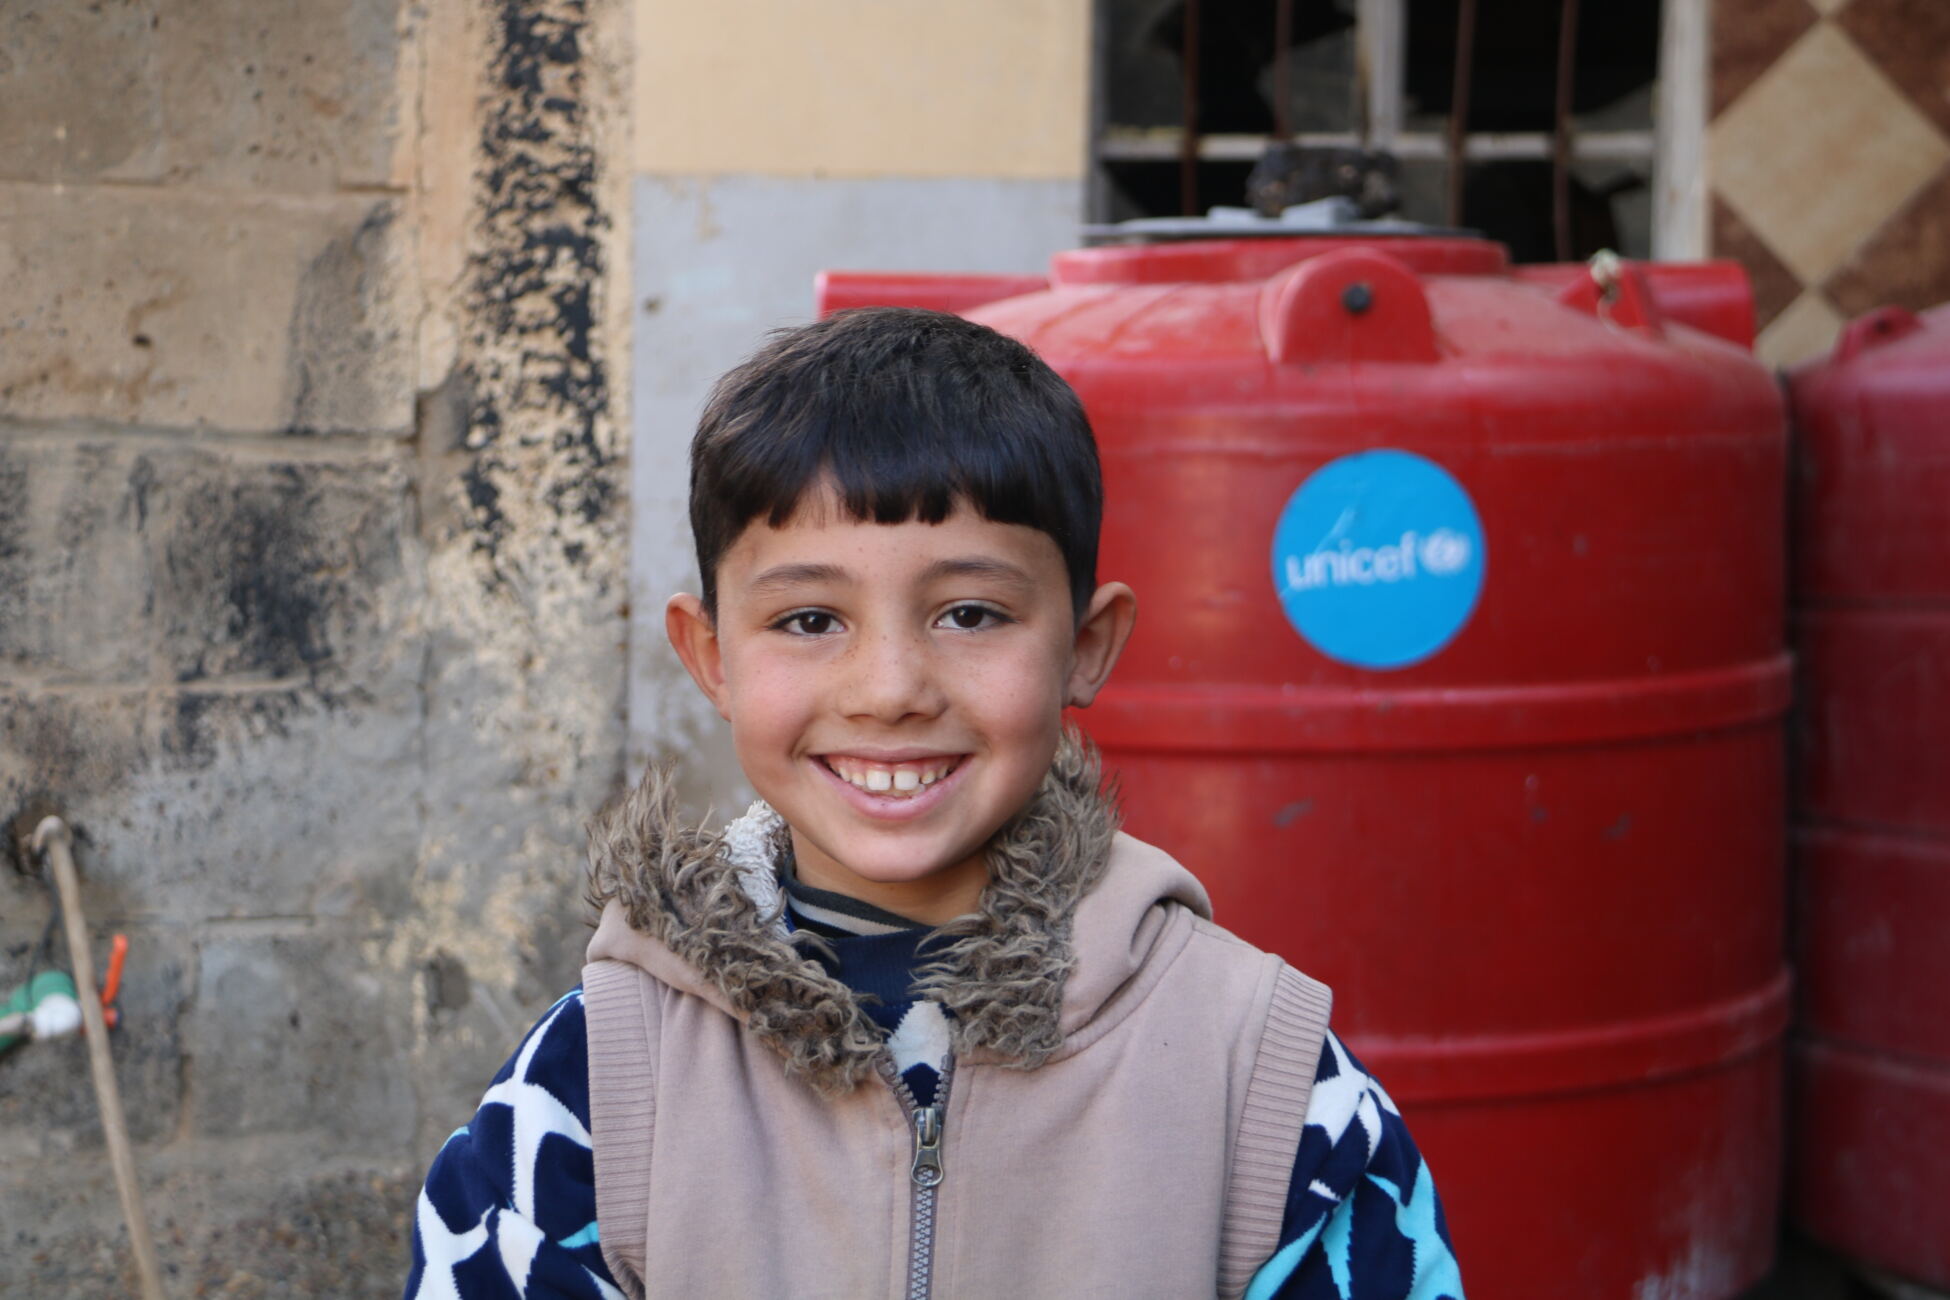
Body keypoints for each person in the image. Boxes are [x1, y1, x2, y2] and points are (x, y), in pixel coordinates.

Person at [405, 308, 1464, 1299]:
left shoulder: (1265, 1078)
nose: (892, 689)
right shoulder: (604, 1074)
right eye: (812, 619)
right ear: (710, 654)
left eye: (969, 611)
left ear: (1085, 646)